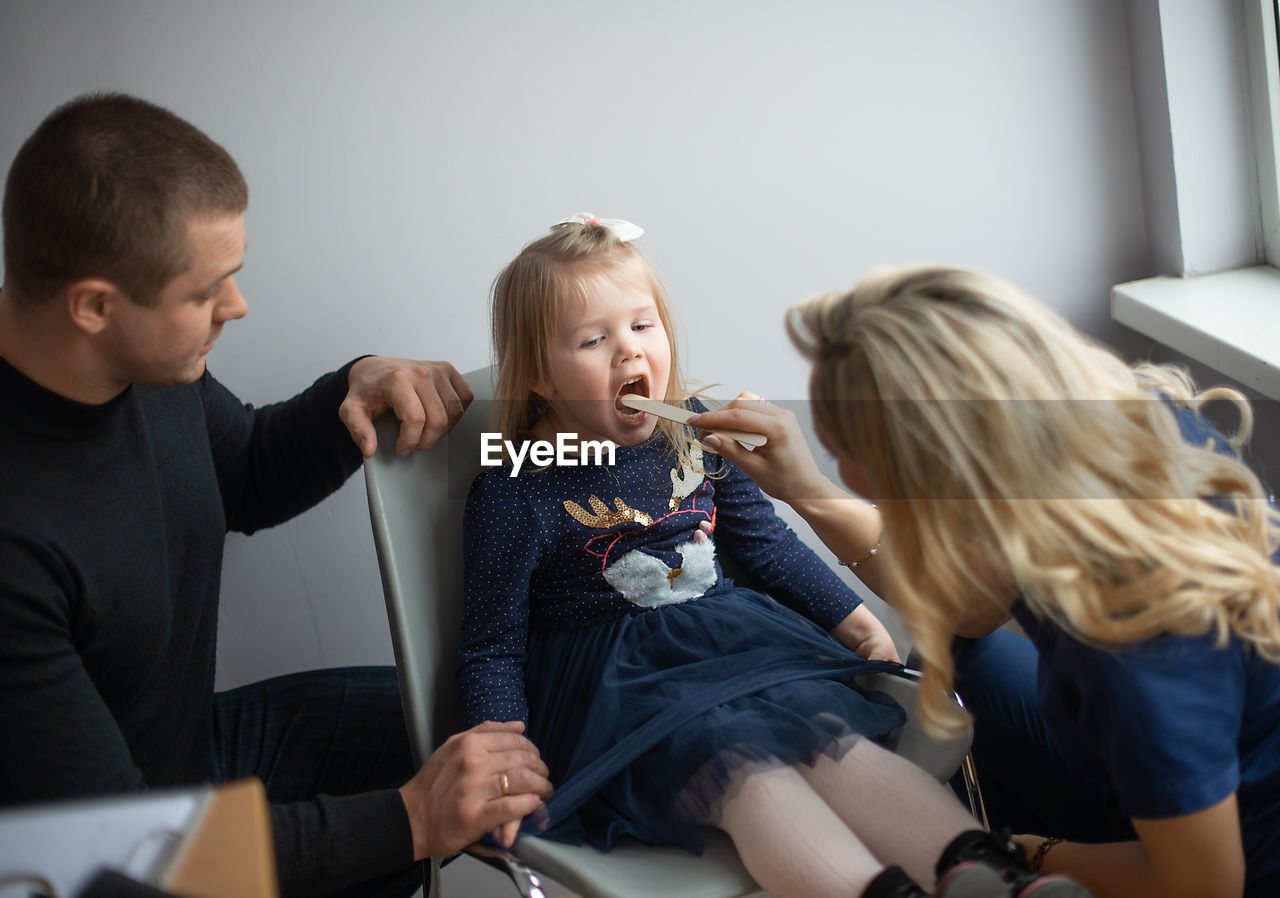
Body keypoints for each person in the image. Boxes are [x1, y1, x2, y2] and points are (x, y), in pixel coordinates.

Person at [0, 93, 551, 898]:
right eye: (206, 292)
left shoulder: (134, 365)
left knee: (505, 727)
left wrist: (351, 393)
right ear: (93, 305)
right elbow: (116, 860)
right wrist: (410, 820)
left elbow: (243, 472)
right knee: (425, 804)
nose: (238, 306)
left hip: (194, 753)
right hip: (111, 857)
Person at [456, 216, 1092, 898]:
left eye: (642, 327)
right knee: (743, 771)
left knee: (831, 742)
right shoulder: (515, 486)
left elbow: (767, 545)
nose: (626, 353)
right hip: (621, 693)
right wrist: (499, 757)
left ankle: (990, 873)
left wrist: (856, 622)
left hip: (738, 649)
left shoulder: (693, 431)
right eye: (592, 339)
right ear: (539, 378)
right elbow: (492, 645)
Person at [693, 264, 1280, 898]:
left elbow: (1204, 884)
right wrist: (810, 493)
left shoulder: (1130, 649)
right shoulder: (1122, 427)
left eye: (856, 462)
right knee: (959, 656)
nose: (842, 467)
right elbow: (968, 611)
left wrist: (1034, 852)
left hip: (1227, 863)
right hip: (1200, 772)